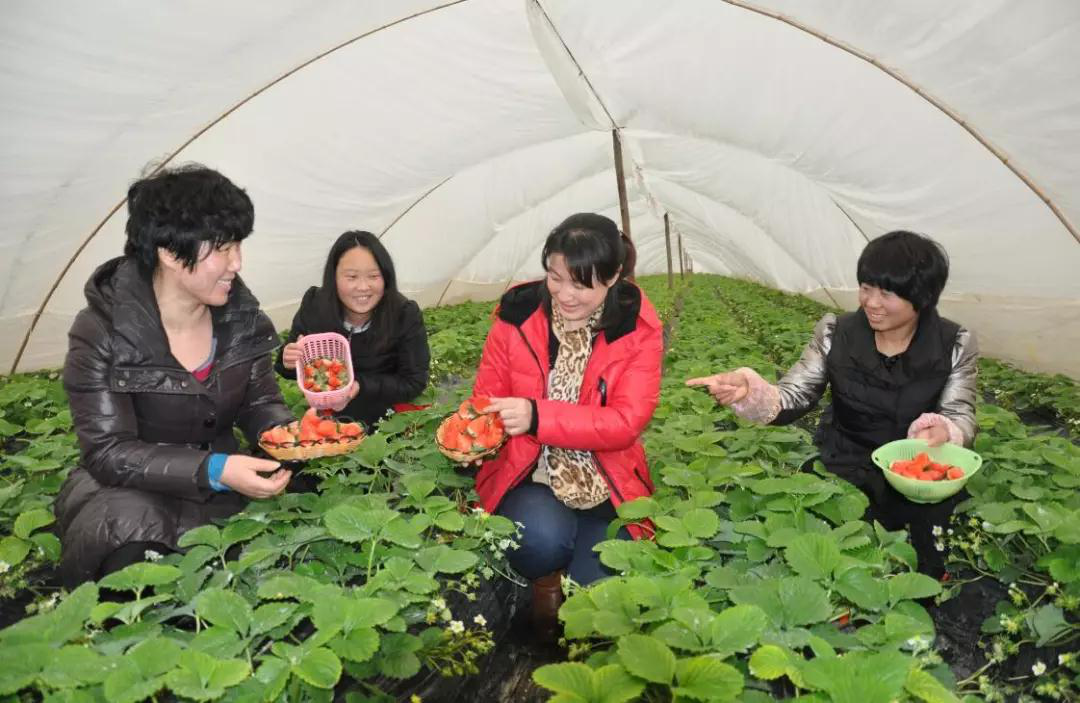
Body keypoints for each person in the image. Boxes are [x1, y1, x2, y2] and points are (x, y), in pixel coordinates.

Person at [55, 165, 296, 587]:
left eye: (239, 245)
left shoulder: (242, 319)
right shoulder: (102, 332)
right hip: (128, 497)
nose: (236, 263)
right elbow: (109, 451)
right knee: (138, 587)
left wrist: (293, 436)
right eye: (222, 248)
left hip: (225, 487)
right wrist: (214, 469)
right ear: (169, 251)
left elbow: (260, 405)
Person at [687, 230, 978, 577]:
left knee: (920, 568)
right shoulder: (835, 332)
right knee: (837, 559)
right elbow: (796, 394)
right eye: (866, 287)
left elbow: (960, 412)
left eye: (887, 293)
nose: (871, 302)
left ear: (923, 296)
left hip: (917, 475)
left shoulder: (953, 342)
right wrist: (750, 391)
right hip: (844, 464)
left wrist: (944, 429)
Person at [472, 212, 663, 637]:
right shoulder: (516, 316)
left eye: (582, 284)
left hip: (606, 479)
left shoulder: (637, 328)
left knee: (598, 591)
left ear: (613, 277)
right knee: (538, 540)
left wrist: (537, 416)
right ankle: (545, 580)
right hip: (530, 473)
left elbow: (624, 423)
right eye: (555, 277)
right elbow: (485, 399)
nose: (565, 294)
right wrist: (475, 433)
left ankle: (574, 580)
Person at [276, 231, 430, 429]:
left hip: (386, 425)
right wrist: (288, 361)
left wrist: (360, 385)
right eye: (352, 277)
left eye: (374, 276)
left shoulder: (404, 314)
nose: (363, 287)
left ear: (386, 277)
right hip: (328, 424)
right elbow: (289, 367)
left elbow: (414, 381)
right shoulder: (315, 306)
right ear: (334, 277)